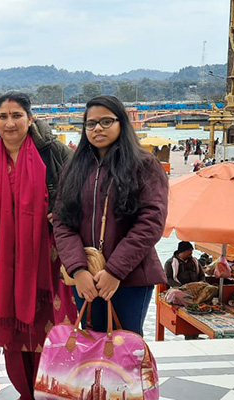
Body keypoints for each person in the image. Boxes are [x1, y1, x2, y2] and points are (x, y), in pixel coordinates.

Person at [0, 91, 75, 400]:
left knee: (50, 326)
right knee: (13, 328)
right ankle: (25, 393)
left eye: (17, 115)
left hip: (49, 258)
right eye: (2, 116)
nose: (9, 122)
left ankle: (51, 391)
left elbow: (77, 191)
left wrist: (63, 212)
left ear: (30, 119)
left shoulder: (52, 152)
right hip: (2, 257)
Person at [53, 94, 169, 339]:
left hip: (130, 276)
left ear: (121, 123)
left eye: (106, 121)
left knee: (125, 348)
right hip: (86, 278)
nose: (97, 128)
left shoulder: (144, 165)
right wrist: (78, 270)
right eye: (91, 123)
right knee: (91, 346)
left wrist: (115, 271)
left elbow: (151, 222)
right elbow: (63, 221)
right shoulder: (74, 168)